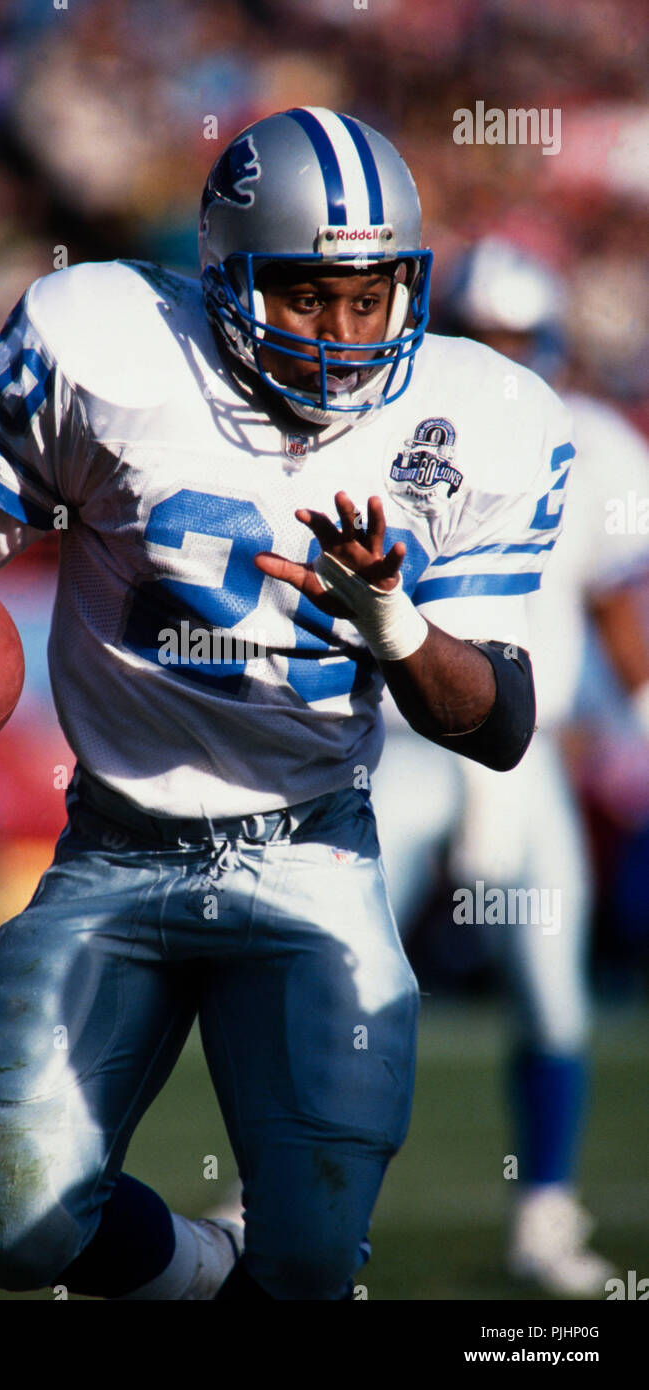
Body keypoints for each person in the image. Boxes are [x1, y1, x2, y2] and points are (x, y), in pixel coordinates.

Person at [0, 110, 569, 1300]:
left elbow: (500, 723)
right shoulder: (103, 349)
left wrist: (398, 629)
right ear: (224, 279)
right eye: (308, 295)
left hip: (312, 851)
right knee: (21, 1225)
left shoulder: (475, 419)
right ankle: (208, 1274)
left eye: (371, 298)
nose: (344, 333)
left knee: (311, 1262)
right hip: (115, 849)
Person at [369, 238, 649, 1295]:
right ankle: (272, 1184)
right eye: (480, 336)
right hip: (398, 743)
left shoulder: (599, 448)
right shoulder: (383, 425)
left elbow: (614, 606)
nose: (497, 359)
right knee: (329, 967)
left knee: (549, 987)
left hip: (513, 755)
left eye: (514, 339)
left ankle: (544, 1209)